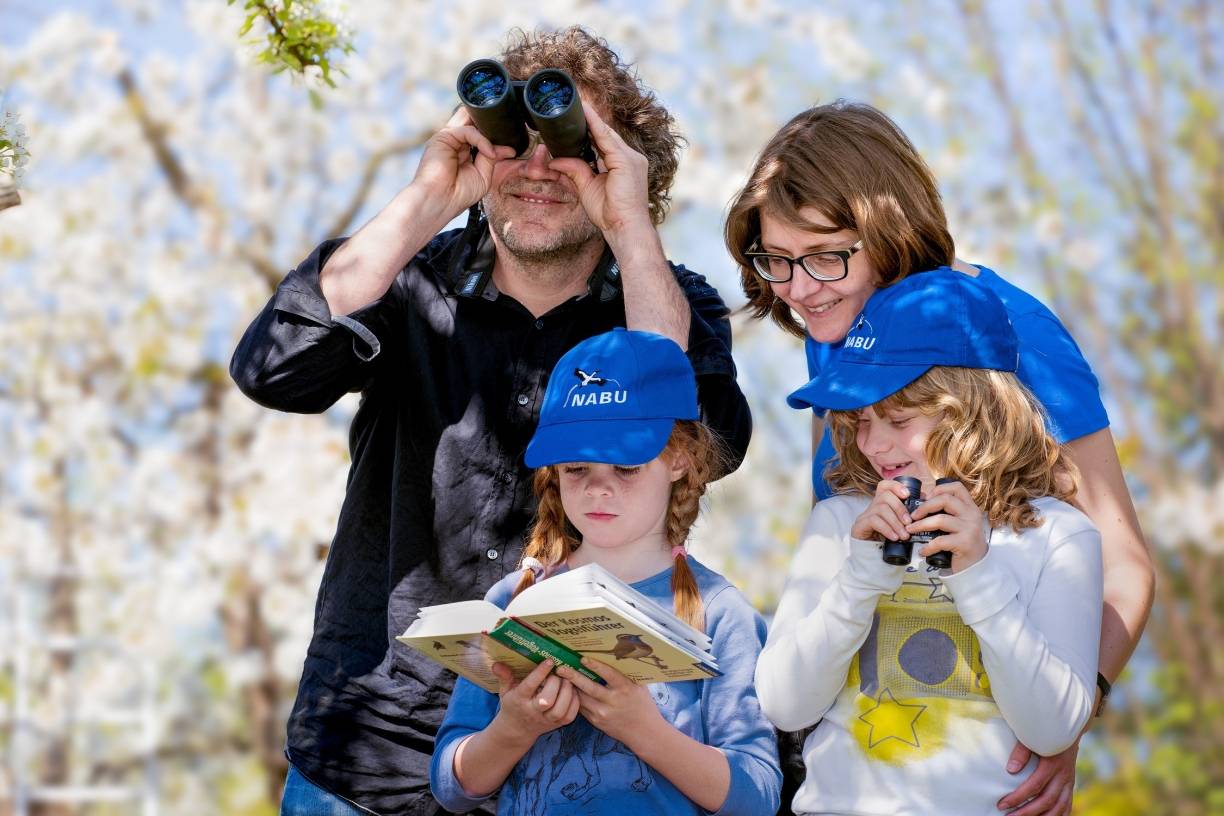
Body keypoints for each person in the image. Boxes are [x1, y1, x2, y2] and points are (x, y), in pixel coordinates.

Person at [230, 27, 751, 816]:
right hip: (365, 752)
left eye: (571, 144)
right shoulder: (407, 284)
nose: (539, 165)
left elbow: (704, 437)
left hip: (571, 767)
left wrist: (629, 227)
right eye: (516, 140)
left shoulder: (670, 300)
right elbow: (274, 368)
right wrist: (428, 200)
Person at [725, 100, 1151, 816]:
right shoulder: (832, 331)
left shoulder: (1012, 340)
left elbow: (1125, 563)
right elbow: (838, 514)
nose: (797, 290)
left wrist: (1071, 715)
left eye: (825, 256)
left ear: (889, 231)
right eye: (776, 261)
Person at [755, 270, 1103, 815]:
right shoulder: (838, 522)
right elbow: (784, 704)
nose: (872, 444)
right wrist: (859, 578)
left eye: (896, 418)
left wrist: (978, 576)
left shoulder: (1057, 535)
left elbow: (1054, 727)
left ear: (973, 409)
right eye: (859, 420)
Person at [430, 328, 781, 814]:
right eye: (576, 469)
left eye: (626, 468)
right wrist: (513, 729)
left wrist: (644, 730)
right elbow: (451, 786)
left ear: (679, 457)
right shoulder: (513, 600)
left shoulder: (719, 612)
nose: (598, 490)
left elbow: (758, 796)